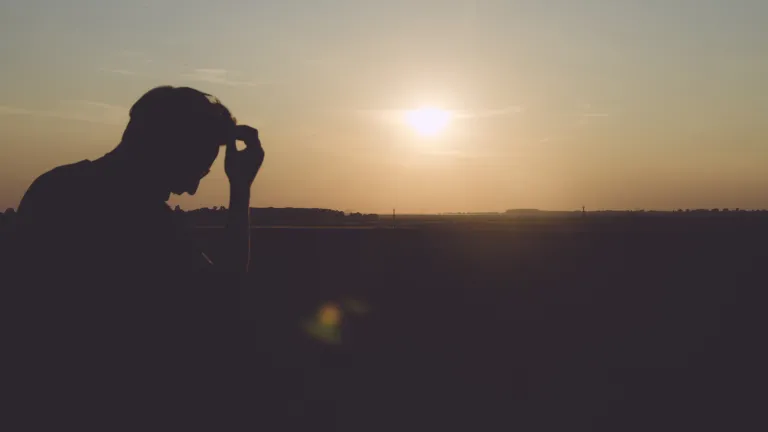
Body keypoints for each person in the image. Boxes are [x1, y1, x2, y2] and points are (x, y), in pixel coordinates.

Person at [10, 86, 264, 320]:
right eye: (194, 170)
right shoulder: (147, 221)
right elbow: (224, 295)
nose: (190, 189)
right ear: (169, 149)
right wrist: (240, 189)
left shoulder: (52, 186)